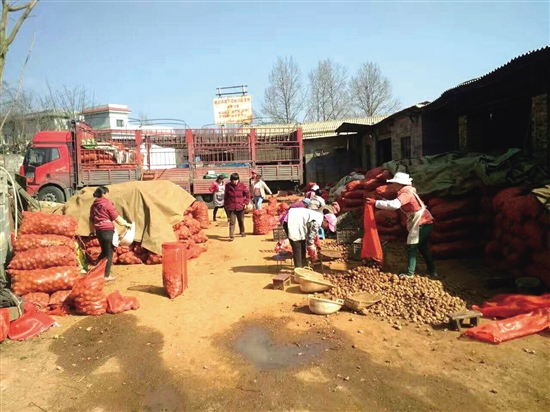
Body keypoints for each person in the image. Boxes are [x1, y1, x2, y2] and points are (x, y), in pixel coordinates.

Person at [366, 172, 438, 279]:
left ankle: (410, 273)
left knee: (412, 247)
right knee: (423, 248)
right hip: (425, 222)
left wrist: (376, 203)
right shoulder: (407, 191)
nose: (393, 186)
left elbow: (395, 205)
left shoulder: (406, 194)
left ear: (399, 184)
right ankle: (432, 271)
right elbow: (395, 203)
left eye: (394, 183)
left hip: (421, 223)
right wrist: (380, 200)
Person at [90, 186, 132, 281]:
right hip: (107, 230)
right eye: (107, 193)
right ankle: (106, 275)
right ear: (103, 194)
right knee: (109, 253)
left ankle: (96, 269)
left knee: (104, 251)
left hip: (99, 231)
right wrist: (126, 224)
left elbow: (91, 219)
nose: (108, 195)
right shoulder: (107, 204)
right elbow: (115, 217)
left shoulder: (94, 205)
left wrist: (92, 230)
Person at [224, 172, 250, 241]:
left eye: (236, 180)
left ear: (238, 179)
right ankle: (231, 236)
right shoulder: (228, 186)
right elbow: (226, 196)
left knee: (241, 220)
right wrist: (226, 205)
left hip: (240, 206)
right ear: (231, 180)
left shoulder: (242, 186)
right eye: (233, 180)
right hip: (231, 207)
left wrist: (246, 203)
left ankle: (242, 231)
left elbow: (248, 194)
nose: (235, 182)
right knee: (232, 222)